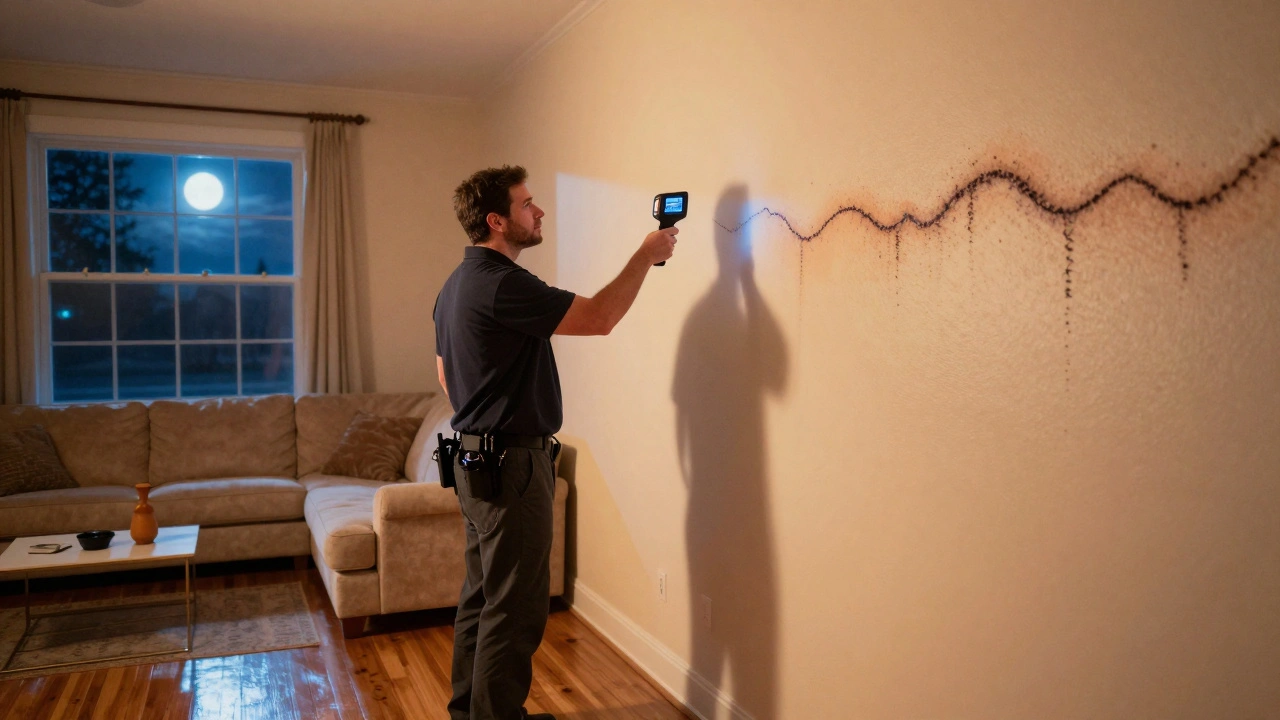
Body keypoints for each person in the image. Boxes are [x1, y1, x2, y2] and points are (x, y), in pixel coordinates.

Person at [434, 165, 677, 720]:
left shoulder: (455, 285)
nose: (539, 212)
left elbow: (446, 374)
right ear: (496, 221)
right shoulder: (501, 282)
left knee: (481, 598)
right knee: (514, 609)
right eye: (527, 205)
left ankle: (470, 713)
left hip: (473, 460)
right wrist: (646, 253)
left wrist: (482, 413)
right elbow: (600, 317)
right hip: (509, 465)